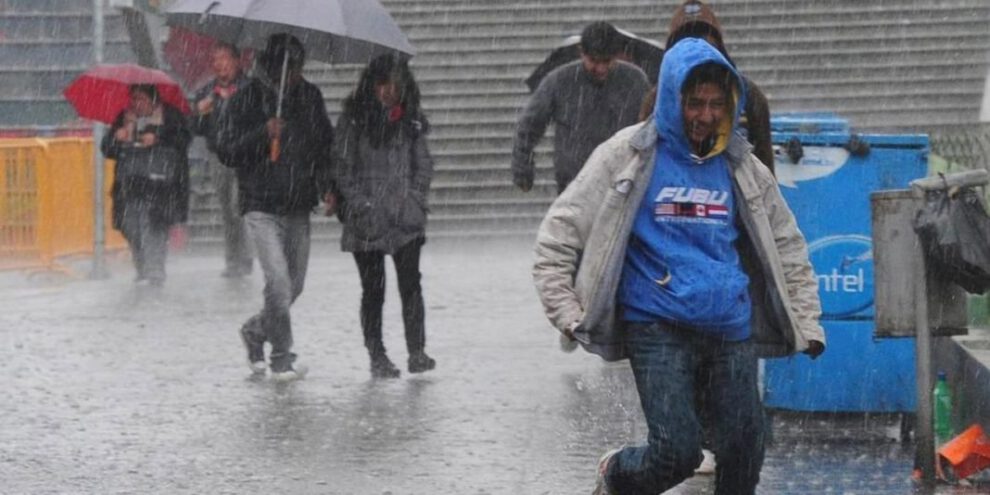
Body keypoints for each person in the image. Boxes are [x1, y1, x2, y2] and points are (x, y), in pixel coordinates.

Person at [532, 39, 825, 495]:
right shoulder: (627, 155)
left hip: (730, 324)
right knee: (678, 451)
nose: (705, 116)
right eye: (694, 103)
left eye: (715, 104)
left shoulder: (740, 165)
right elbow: (559, 234)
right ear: (672, 100)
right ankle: (617, 473)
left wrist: (806, 319)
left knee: (745, 444)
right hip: (657, 324)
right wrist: (567, 311)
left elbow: (787, 245)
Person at [216, 33, 335, 381]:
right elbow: (226, 149)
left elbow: (323, 146)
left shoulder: (310, 97)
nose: (294, 76)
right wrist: (261, 134)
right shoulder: (247, 98)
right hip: (260, 204)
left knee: (293, 286)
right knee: (279, 283)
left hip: (298, 203)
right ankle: (282, 357)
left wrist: (329, 185)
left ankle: (255, 331)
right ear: (272, 67)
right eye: (288, 68)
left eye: (298, 68)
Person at [335, 54, 436, 379]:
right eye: (383, 84)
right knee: (373, 290)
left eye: (395, 84)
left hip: (405, 217)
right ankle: (377, 354)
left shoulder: (411, 120)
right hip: (367, 220)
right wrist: (362, 205)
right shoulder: (354, 120)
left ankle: (417, 351)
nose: (389, 91)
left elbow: (423, 163)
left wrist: (415, 198)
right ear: (371, 85)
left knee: (411, 285)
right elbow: (343, 167)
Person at [512, 21, 649, 194]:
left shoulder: (635, 80)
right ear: (581, 53)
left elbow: (649, 125)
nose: (601, 68)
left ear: (617, 55)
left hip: (622, 180)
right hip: (574, 181)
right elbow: (529, 126)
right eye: (594, 61)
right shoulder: (559, 81)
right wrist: (522, 169)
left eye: (606, 61)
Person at [101, 84, 191, 287]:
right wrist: (116, 138)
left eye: (141, 99)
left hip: (161, 186)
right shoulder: (124, 119)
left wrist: (158, 138)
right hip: (130, 185)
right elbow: (107, 149)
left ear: (153, 100)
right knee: (131, 227)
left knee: (155, 226)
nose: (137, 104)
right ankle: (142, 267)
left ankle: (155, 270)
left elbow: (183, 139)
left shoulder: (170, 116)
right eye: (134, 99)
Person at [190, 42, 254, 278]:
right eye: (216, 59)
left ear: (237, 61)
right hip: (218, 157)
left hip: (244, 157)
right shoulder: (206, 91)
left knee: (239, 206)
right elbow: (194, 128)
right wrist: (200, 112)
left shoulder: (249, 88)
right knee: (227, 211)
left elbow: (256, 118)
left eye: (225, 58)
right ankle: (232, 260)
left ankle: (245, 256)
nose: (220, 64)